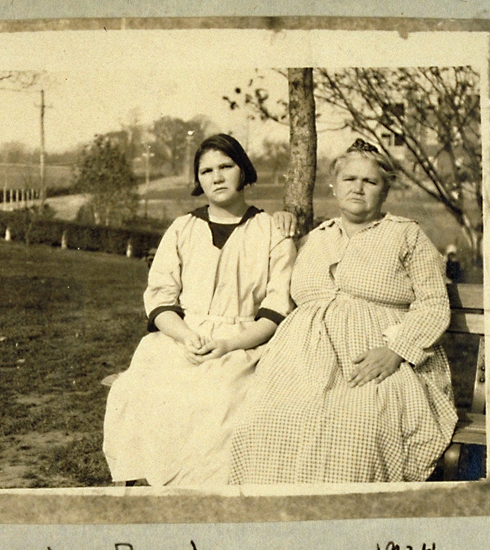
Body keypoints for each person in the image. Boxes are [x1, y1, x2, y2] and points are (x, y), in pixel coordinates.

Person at [230, 139, 458, 484]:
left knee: (356, 432)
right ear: (334, 186)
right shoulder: (314, 238)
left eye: (370, 181)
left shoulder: (406, 235)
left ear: (385, 190)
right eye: (350, 179)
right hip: (299, 364)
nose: (358, 188)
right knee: (261, 423)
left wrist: (396, 351)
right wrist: (282, 219)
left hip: (376, 360)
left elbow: (433, 304)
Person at [102, 134, 297, 487]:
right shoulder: (183, 228)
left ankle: (204, 499)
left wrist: (229, 345)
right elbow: (160, 298)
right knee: (137, 391)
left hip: (244, 343)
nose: (217, 177)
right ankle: (148, 489)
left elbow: (276, 307)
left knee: (220, 402)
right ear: (198, 179)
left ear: (244, 172)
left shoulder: (271, 231)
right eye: (206, 170)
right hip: (181, 338)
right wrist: (186, 335)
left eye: (226, 166)